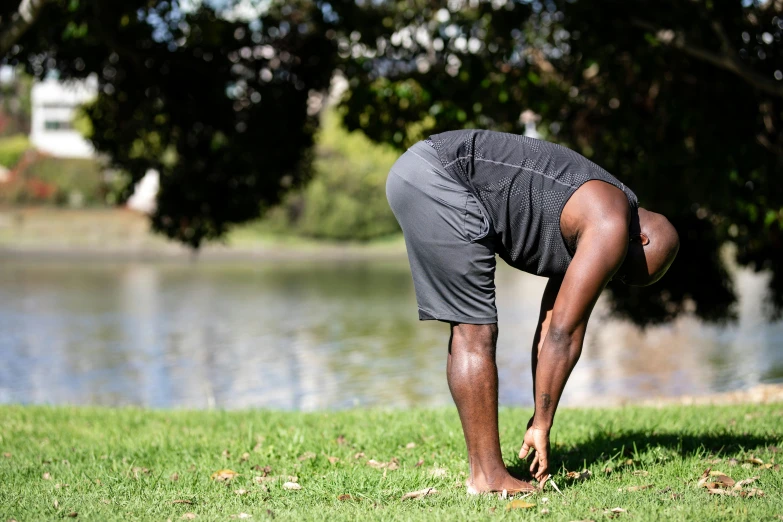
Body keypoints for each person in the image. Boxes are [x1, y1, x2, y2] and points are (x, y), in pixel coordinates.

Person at [386, 129, 679, 495]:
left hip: (422, 169)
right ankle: (488, 478)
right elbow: (565, 335)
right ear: (640, 239)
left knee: (472, 329)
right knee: (474, 330)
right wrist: (542, 424)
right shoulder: (610, 222)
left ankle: (486, 473)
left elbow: (551, 327)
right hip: (439, 175)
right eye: (622, 269)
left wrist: (540, 417)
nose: (611, 274)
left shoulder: (596, 212)